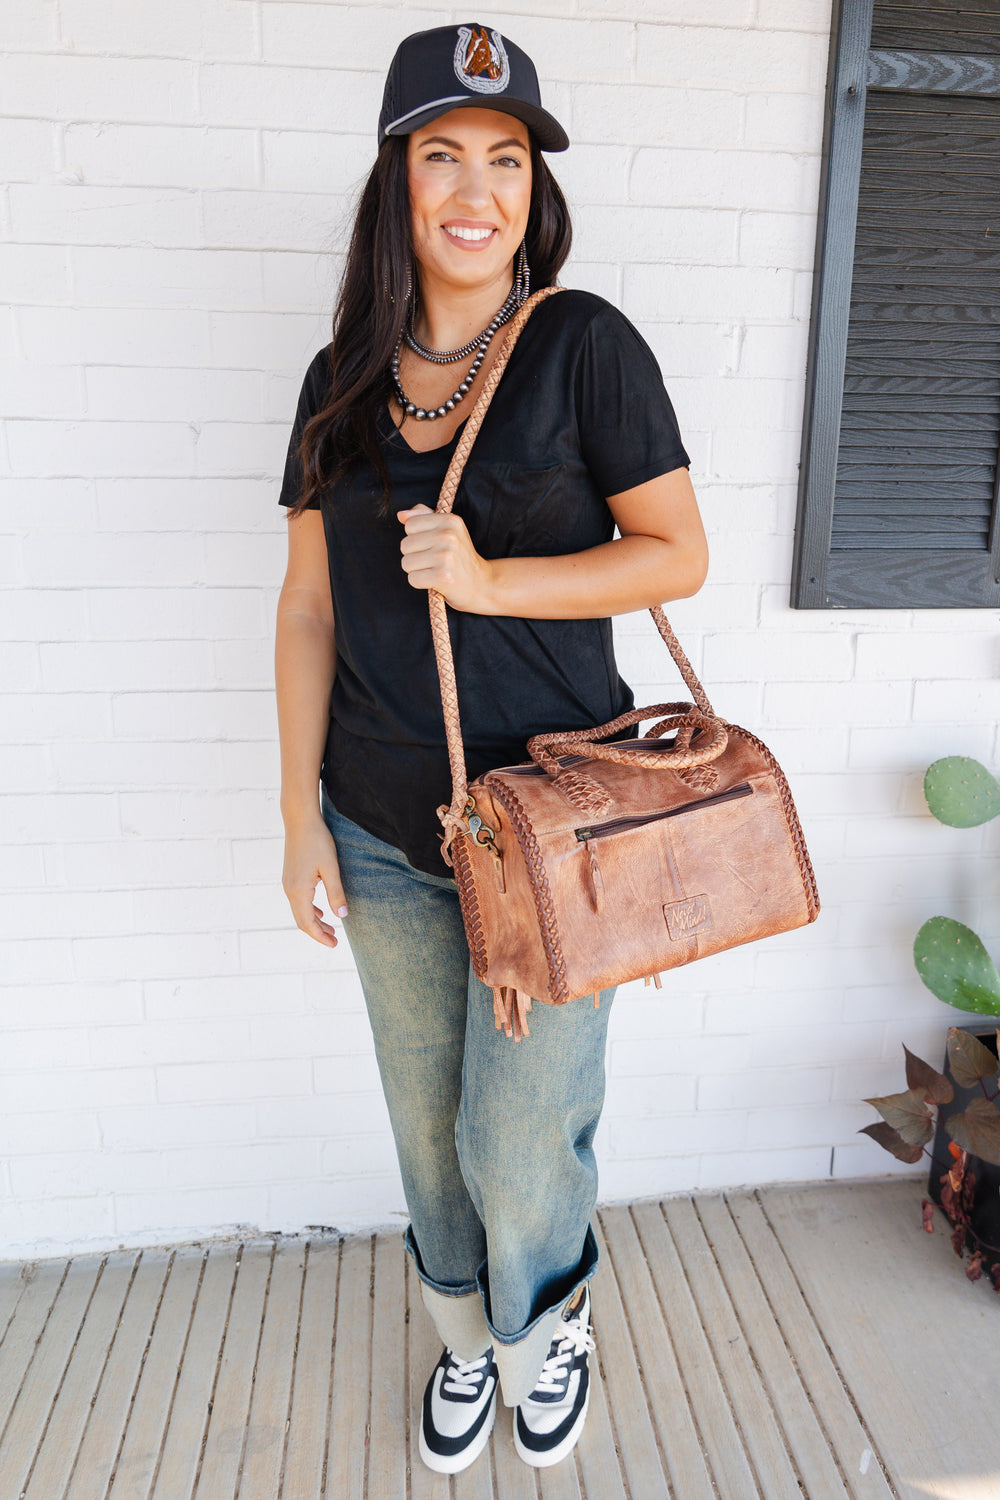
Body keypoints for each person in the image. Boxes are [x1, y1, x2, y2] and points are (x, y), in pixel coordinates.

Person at [274, 22, 708, 1474]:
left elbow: (677, 555)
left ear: (535, 186)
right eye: (444, 155)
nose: (478, 188)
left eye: (506, 159)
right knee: (426, 1125)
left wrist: (495, 579)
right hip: (384, 830)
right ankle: (470, 1343)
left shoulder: (585, 346)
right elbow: (307, 612)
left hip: (552, 838)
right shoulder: (339, 376)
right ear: (397, 182)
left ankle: (547, 1324)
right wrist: (293, 818)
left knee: (522, 1135)